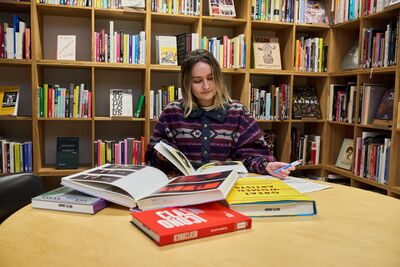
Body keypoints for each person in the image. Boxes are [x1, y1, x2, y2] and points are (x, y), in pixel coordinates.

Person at [145, 49, 294, 179]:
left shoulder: (238, 112)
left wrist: (266, 165)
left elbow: (252, 156)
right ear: (187, 83)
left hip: (225, 188)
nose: (206, 86)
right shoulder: (172, 113)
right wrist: (160, 157)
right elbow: (152, 162)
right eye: (197, 81)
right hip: (183, 190)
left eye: (211, 78)